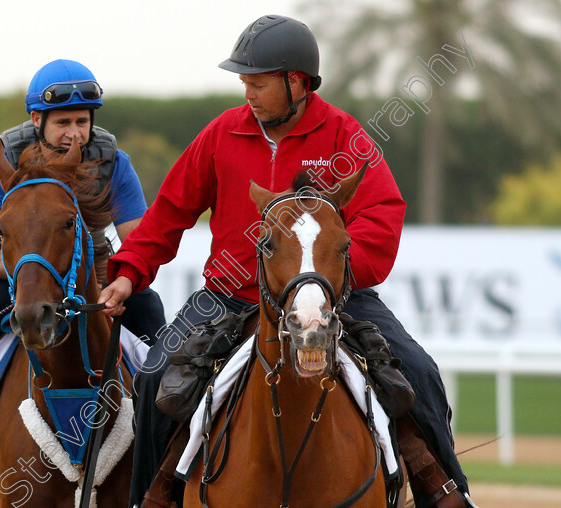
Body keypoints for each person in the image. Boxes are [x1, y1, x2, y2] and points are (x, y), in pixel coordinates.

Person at [99, 15, 477, 508]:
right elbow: (168, 213)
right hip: (228, 298)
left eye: (257, 83)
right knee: (153, 377)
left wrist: (319, 281)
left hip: (334, 298)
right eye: (244, 83)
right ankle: (149, 499)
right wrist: (128, 274)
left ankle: (449, 494)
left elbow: (381, 218)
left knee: (421, 372)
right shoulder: (221, 134)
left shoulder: (346, 136)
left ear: (296, 82)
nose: (247, 93)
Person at [0, 59, 166, 428]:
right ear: (37, 121)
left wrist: (123, 282)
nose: (74, 134)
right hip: (22, 272)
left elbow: (138, 239)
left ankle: (166, 401)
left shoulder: (115, 162)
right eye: (62, 122)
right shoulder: (3, 162)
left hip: (93, 268)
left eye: (82, 122)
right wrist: (31, 269)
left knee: (147, 304)